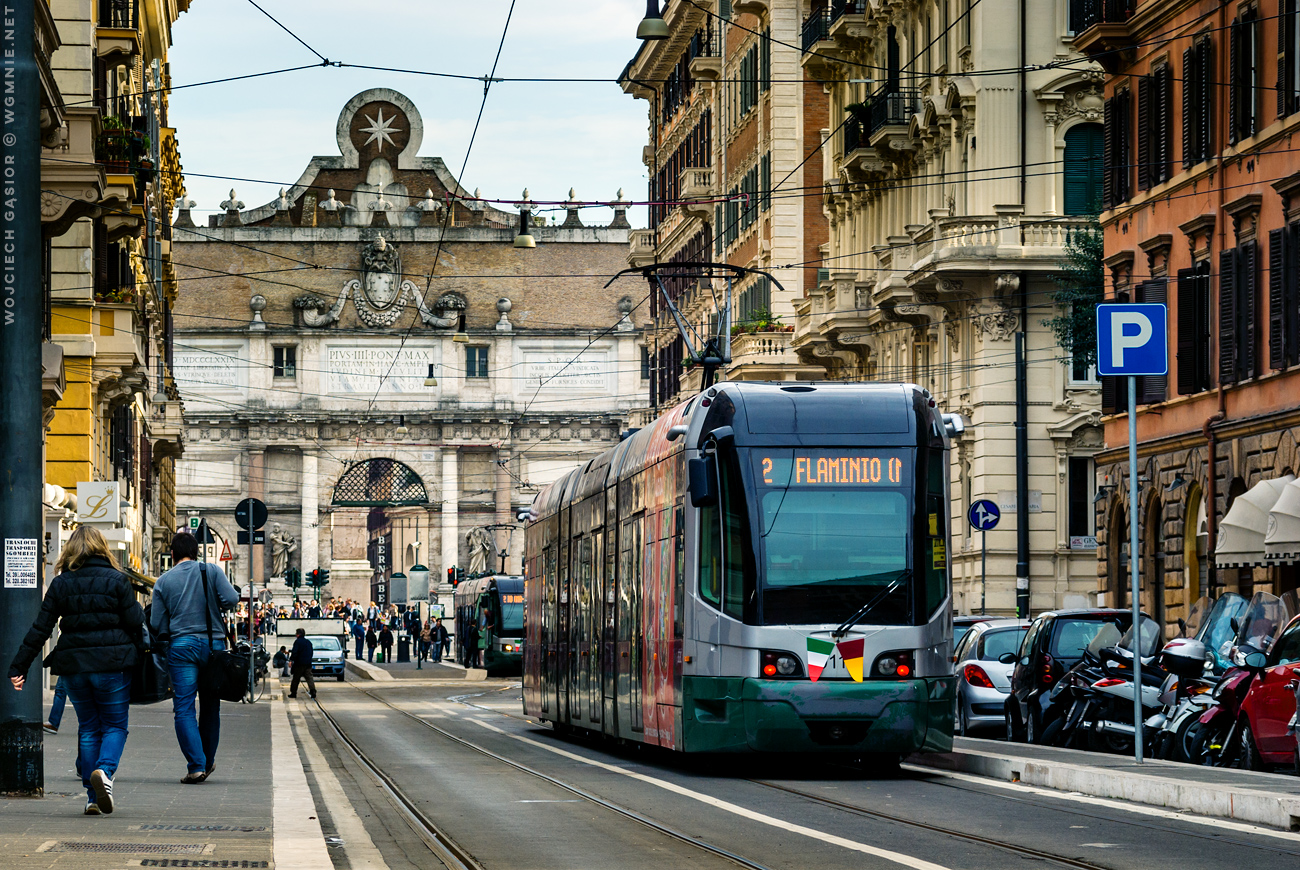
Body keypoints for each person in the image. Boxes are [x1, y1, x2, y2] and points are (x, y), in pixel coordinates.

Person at [8, 525, 145, 815]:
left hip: (75, 667)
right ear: (101, 548)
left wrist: (19, 665)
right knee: (115, 726)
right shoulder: (118, 580)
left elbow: (41, 628)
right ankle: (105, 773)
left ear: (72, 550)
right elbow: (135, 623)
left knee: (89, 727)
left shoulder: (62, 583)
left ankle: (92, 797)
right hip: (113, 665)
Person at [151, 532, 240, 785]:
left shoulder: (163, 581)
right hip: (214, 647)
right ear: (196, 552)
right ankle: (207, 761)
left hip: (182, 648)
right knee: (211, 705)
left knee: (184, 708)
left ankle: (196, 766)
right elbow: (232, 599)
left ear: (172, 554)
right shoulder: (211, 571)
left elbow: (157, 622)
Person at [287, 629, 317, 699]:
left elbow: (295, 652)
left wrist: (291, 660)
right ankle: (313, 691)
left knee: (296, 679)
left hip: (299, 664)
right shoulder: (308, 642)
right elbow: (311, 652)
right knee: (309, 678)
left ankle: (293, 693)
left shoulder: (297, 642)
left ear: (298, 634)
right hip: (307, 663)